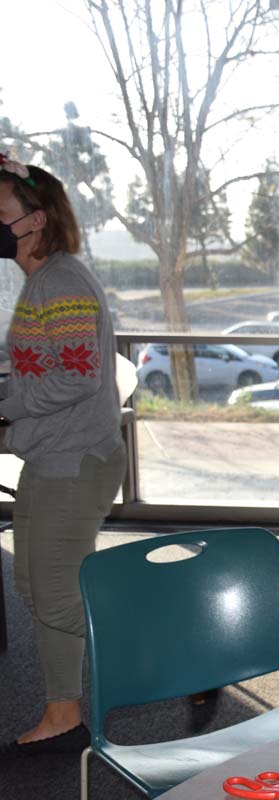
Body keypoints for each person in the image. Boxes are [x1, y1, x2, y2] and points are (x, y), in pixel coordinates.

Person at [0, 155, 125, 755]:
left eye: (0, 213)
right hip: (53, 456)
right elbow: (48, 368)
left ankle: (191, 652)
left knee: (54, 592)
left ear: (37, 220)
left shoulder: (61, 282)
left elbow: (75, 379)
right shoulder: (43, 281)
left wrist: (9, 408)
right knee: (35, 586)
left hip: (74, 461)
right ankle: (62, 709)